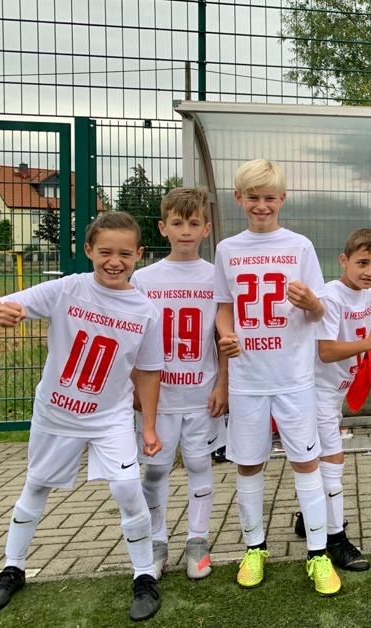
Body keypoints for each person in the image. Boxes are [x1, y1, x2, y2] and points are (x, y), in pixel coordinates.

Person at [0, 211, 165, 621]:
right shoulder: (67, 289)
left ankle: (144, 575)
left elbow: (149, 372)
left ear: (139, 254)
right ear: (88, 250)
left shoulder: (146, 310)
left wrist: (149, 427)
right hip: (56, 413)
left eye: (124, 253)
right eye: (105, 252)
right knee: (36, 484)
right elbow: (4, 306)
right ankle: (12, 568)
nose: (114, 261)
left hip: (109, 418)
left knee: (127, 487)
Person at [213, 159, 340, 595]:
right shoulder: (227, 249)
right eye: (253, 197)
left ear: (282, 199)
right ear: (239, 198)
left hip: (294, 377)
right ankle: (254, 548)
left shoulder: (300, 246)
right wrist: (226, 334)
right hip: (247, 378)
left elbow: (321, 311)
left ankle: (318, 554)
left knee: (306, 460)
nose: (261, 205)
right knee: (249, 463)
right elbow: (224, 305)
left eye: (269, 198)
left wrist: (310, 303)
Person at [131, 187, 228, 581]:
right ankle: (156, 542)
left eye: (193, 223)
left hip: (202, 393)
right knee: (155, 471)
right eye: (177, 223)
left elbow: (224, 336)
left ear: (206, 228)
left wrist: (223, 385)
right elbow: (131, 337)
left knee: (199, 463)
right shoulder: (143, 279)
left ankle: (197, 540)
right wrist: (134, 388)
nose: (185, 230)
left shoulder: (217, 276)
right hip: (158, 396)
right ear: (163, 228)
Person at [305, 228, 371, 571]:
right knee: (333, 461)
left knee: (319, 460)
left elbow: (369, 336)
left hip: (337, 390)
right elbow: (326, 351)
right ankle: (335, 539)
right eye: (362, 262)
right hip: (316, 391)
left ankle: (309, 516)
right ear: (344, 261)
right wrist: (369, 344)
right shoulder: (331, 297)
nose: (369, 271)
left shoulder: (369, 296)